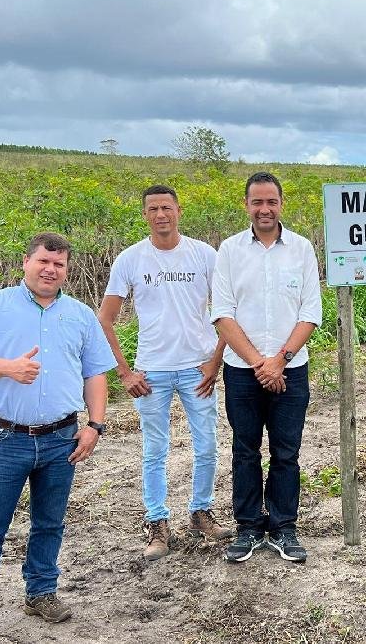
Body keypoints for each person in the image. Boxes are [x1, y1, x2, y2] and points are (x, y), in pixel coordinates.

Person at [0, 233, 116, 637]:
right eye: (43, 262)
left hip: (61, 438)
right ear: (26, 262)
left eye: (59, 264)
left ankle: (41, 592)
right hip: (5, 439)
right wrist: (8, 368)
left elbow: (95, 372)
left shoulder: (81, 315)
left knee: (49, 522)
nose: (51, 270)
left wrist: (95, 425)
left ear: (66, 270)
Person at [98, 184, 230, 562]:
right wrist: (124, 372)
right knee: (154, 449)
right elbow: (105, 319)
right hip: (152, 370)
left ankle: (201, 512)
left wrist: (215, 359)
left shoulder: (205, 255)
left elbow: (226, 309)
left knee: (206, 444)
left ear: (178, 210)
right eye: (153, 209)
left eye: (166, 208)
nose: (161, 215)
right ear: (145, 215)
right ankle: (157, 522)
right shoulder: (130, 260)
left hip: (197, 369)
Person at [211, 172, 322, 564]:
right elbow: (222, 314)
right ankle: (247, 527)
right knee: (245, 450)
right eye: (257, 202)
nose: (264, 209)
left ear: (281, 204)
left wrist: (281, 360)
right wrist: (260, 363)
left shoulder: (303, 249)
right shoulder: (228, 251)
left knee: (287, 451)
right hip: (243, 372)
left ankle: (284, 526)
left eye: (271, 202)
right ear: (246, 205)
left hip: (291, 368)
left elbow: (311, 311)